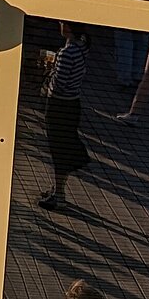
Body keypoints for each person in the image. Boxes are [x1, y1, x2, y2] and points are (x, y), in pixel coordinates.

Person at [35, 20, 94, 213]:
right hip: (73, 103)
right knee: (64, 145)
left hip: (59, 105)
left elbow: (59, 82)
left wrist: (47, 76)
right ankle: (58, 188)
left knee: (57, 149)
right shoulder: (82, 47)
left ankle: (59, 195)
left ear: (67, 27)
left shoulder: (67, 52)